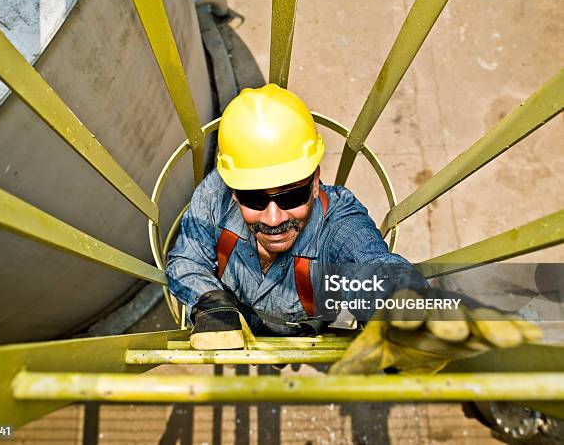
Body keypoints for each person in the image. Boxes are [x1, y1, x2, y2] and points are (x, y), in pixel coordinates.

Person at [166, 84, 540, 373]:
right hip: (241, 320)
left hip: (302, 331)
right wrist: (211, 302)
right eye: (254, 199)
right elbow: (185, 258)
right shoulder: (215, 194)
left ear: (315, 180)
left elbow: (370, 262)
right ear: (233, 189)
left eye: (293, 194)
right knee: (269, 361)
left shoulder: (338, 218)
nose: (275, 218)